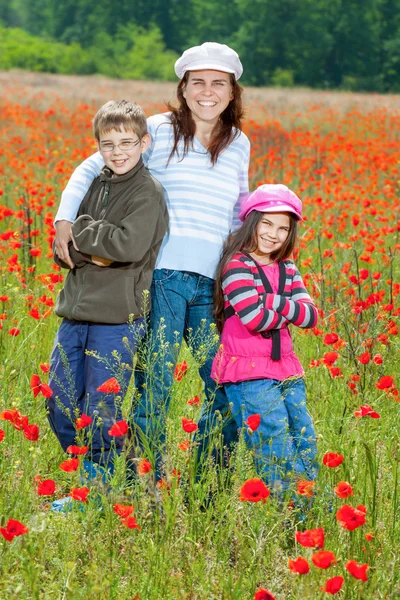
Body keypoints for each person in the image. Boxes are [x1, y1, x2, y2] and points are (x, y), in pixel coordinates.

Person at [53, 42, 250, 481]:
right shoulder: (158, 129)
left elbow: (238, 210)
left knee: (223, 382)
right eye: (197, 82)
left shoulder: (238, 142)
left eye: (219, 83)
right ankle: (145, 483)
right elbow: (92, 165)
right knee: (153, 390)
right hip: (162, 279)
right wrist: (64, 218)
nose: (207, 91)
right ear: (183, 87)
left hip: (211, 284)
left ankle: (207, 480)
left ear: (232, 92)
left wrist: (245, 269)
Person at [48, 100, 169, 500]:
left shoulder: (147, 192)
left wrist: (79, 230)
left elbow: (127, 246)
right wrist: (92, 245)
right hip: (74, 314)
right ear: (97, 146)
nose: (117, 152)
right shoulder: (92, 185)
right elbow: (63, 250)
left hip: (117, 319)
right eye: (108, 143)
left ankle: (96, 493)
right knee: (61, 405)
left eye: (127, 142)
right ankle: (116, 479)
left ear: (144, 143)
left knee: (101, 413)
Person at [212, 184, 318, 495]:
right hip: (250, 374)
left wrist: (272, 300)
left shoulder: (286, 266)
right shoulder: (236, 265)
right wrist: (288, 306)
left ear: (290, 233)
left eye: (283, 228)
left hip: (287, 370)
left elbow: (310, 316)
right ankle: (287, 513)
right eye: (266, 224)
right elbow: (255, 320)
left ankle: (304, 506)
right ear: (251, 221)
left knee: (305, 439)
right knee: (273, 444)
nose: (273, 234)